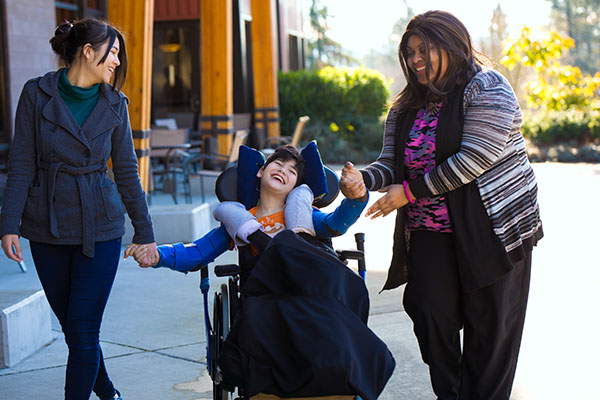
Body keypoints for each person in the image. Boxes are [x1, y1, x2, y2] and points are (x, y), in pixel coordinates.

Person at [342, 10, 543, 400]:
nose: (416, 60)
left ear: (452, 43)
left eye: (425, 49)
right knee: (430, 312)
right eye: (410, 52)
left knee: (491, 331)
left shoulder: (488, 88)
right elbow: (391, 162)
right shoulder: (405, 106)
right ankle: (451, 393)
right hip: (430, 230)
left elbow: (475, 158)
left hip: (493, 228)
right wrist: (362, 180)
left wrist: (410, 192)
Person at [127, 145, 395, 399]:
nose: (283, 170)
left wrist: (358, 197)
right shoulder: (239, 219)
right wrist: (157, 255)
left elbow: (338, 222)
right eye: (278, 163)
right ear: (260, 171)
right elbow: (197, 253)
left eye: (292, 171)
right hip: (267, 295)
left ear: (296, 185)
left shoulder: (307, 215)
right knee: (260, 309)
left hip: (314, 293)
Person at [0, 19, 158, 400]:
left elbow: (125, 172)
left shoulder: (115, 104)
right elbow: (21, 161)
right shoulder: (36, 94)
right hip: (47, 225)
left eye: (119, 54)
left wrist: (145, 232)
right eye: (113, 52)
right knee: (75, 330)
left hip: (99, 226)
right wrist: (9, 223)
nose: (118, 61)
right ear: (88, 51)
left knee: (84, 330)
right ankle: (108, 393)